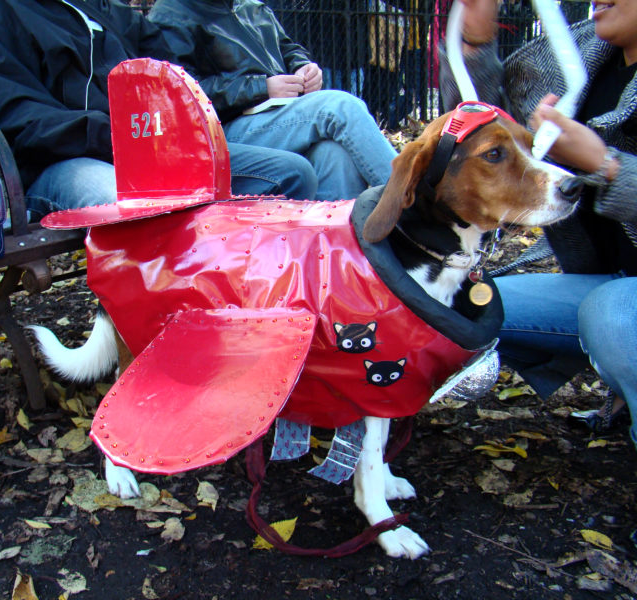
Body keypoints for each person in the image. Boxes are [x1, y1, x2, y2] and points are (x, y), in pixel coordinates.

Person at [440, 0, 637, 447]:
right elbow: (478, 131)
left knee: (615, 314)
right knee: (457, 302)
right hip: (601, 284)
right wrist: (475, 40)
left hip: (614, 304)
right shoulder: (571, 54)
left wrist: (607, 167)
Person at [0, 0, 319, 220]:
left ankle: (257, 301)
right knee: (137, 205)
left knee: (291, 172)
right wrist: (112, 133)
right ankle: (156, 327)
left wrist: (162, 129)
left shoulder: (102, 9)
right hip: (63, 162)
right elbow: (18, 118)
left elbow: (172, 70)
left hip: (151, 148)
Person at [147, 0, 398, 201]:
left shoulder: (253, 7)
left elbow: (289, 48)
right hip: (225, 126)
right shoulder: (171, 13)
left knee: (334, 156)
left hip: (278, 115)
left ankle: (337, 249)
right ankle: (408, 202)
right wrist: (260, 88)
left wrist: (304, 67)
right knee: (341, 108)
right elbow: (179, 92)